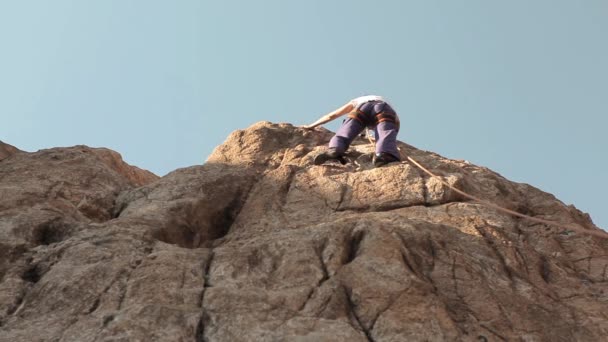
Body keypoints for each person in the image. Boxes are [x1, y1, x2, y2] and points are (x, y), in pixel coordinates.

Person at [302, 95, 401, 167]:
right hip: (383, 109)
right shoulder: (384, 103)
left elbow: (332, 115)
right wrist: (391, 140)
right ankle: (384, 154)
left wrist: (312, 125)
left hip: (361, 108)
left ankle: (335, 150)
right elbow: (393, 125)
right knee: (385, 132)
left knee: (345, 131)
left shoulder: (358, 101)